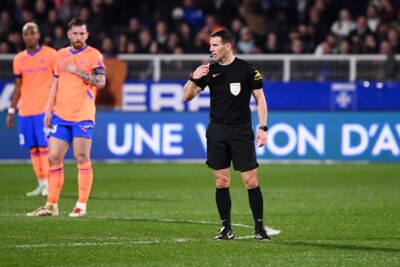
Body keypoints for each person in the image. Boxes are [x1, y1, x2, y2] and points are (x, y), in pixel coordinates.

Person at [183, 29, 270, 240]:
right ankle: (226, 228)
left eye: (214, 45)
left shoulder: (246, 69)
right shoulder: (209, 70)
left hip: (241, 131)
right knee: (221, 181)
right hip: (217, 131)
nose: (210, 49)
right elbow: (186, 96)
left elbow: (260, 99)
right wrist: (194, 77)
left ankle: (259, 228)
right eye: (210, 45)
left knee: (250, 180)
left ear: (227, 46)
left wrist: (262, 127)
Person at [27, 17, 106, 217]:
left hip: (82, 114)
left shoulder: (93, 55)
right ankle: (51, 206)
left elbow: (100, 82)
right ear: (69, 34)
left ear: (86, 35)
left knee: (81, 157)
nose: (78, 37)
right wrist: (48, 109)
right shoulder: (61, 55)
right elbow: (55, 83)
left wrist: (77, 71)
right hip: (61, 115)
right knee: (53, 158)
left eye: (82, 33)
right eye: (75, 33)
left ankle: (81, 205)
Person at [7, 22, 57, 197]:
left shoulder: (51, 55)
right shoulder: (19, 59)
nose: (29, 36)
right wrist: (12, 110)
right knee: (33, 148)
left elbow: (60, 80)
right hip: (26, 111)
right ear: (23, 37)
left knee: (46, 148)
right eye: (26, 34)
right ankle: (41, 183)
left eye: (32, 33)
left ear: (38, 35)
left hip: (44, 110)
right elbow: (18, 86)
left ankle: (50, 184)